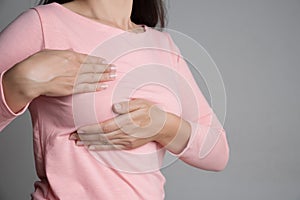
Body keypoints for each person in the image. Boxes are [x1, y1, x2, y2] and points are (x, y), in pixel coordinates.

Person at [0, 0, 229, 199]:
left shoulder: (163, 45)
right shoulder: (42, 25)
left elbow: (218, 153)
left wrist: (163, 127)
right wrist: (20, 82)